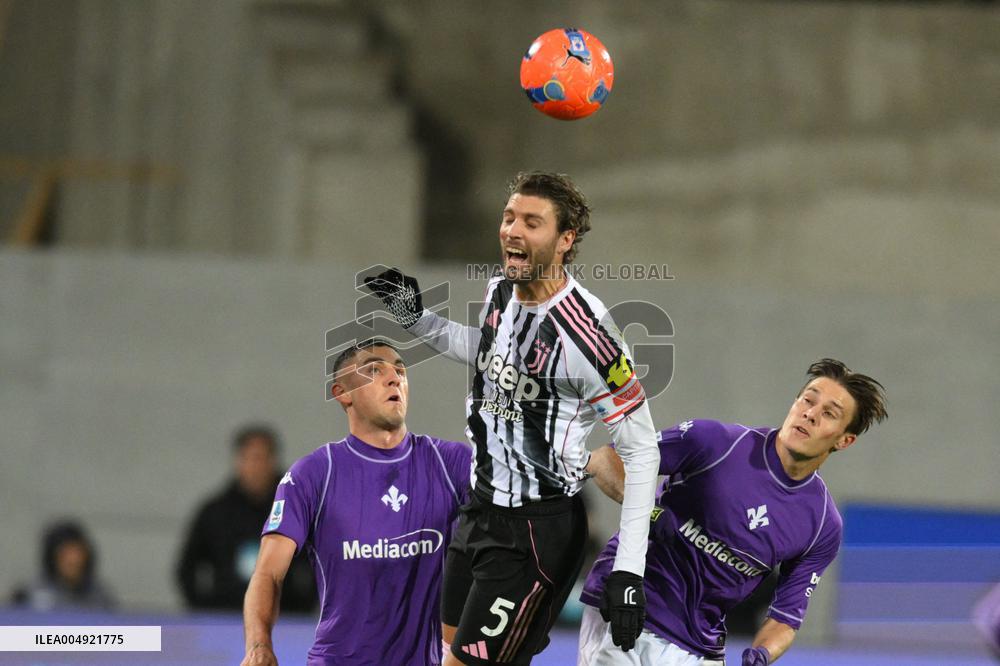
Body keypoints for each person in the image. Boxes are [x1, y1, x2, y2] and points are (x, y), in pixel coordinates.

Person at [365, 171, 661, 664]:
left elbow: (641, 448)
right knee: (441, 654)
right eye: (508, 217)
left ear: (565, 240)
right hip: (479, 511)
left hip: (535, 534)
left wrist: (629, 569)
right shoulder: (503, 289)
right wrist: (418, 318)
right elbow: (485, 354)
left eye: (531, 221)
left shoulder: (592, 338)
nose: (512, 231)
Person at [578, 358, 888, 665]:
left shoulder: (822, 525)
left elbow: (785, 619)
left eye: (829, 414)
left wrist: (762, 654)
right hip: (627, 609)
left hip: (700, 643)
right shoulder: (715, 442)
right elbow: (606, 460)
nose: (810, 414)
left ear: (845, 440)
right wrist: (651, 513)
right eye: (808, 400)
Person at [241, 338, 473, 666]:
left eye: (400, 370)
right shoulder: (314, 474)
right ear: (342, 394)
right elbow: (268, 573)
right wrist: (259, 645)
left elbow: (514, 524)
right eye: (374, 370)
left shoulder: (453, 464)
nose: (394, 378)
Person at [176, 425, 315, 613]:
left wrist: (300, 611)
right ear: (238, 462)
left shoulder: (296, 511)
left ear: (273, 461)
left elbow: (317, 565)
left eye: (261, 458)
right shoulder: (214, 513)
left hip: (282, 621)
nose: (255, 467)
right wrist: (204, 610)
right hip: (224, 618)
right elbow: (187, 568)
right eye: (249, 459)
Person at [11, 519, 116, 612]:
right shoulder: (28, 595)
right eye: (64, 554)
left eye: (76, 553)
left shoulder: (101, 597)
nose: (72, 561)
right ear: (52, 557)